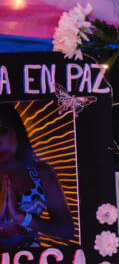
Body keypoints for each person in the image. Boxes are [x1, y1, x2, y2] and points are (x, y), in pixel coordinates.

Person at [0, 105, 74, 248]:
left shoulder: (41, 173)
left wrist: (21, 217)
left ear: (17, 132)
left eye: (3, 131)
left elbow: (67, 230)